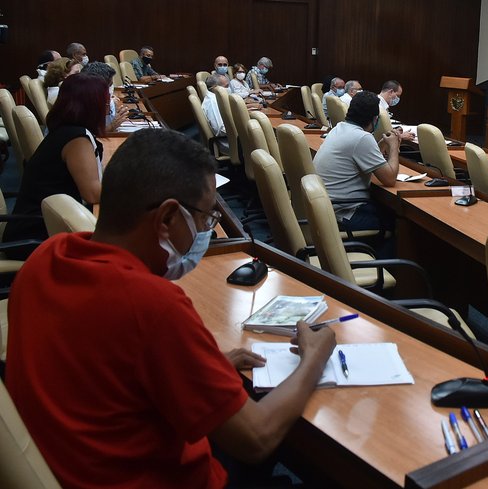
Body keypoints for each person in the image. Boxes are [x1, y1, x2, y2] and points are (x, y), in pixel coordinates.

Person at [5, 128, 336, 488]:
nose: (207, 230)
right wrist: (314, 357)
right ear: (166, 219)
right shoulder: (152, 305)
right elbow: (256, 438)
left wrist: (201, 368)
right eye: (207, 219)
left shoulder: (45, 259)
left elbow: (103, 368)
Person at [3, 73, 106, 248]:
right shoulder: (76, 139)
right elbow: (91, 193)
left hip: (42, 223)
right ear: (92, 105)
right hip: (36, 235)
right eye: (104, 101)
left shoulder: (65, 130)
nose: (107, 106)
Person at [313, 90, 400, 256]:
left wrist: (382, 143)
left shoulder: (340, 128)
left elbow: (365, 155)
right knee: (398, 224)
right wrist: (394, 147)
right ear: (375, 119)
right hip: (345, 214)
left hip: (328, 209)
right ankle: (382, 269)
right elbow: (389, 178)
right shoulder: (362, 138)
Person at [82, 61, 130, 129]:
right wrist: (111, 126)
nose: (110, 89)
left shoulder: (108, 102)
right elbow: (89, 135)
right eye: (109, 85)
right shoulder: (79, 106)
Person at [202, 73, 230, 154]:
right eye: (226, 86)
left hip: (232, 137)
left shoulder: (218, 98)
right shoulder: (213, 102)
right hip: (229, 143)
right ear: (215, 88)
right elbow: (220, 130)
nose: (228, 89)